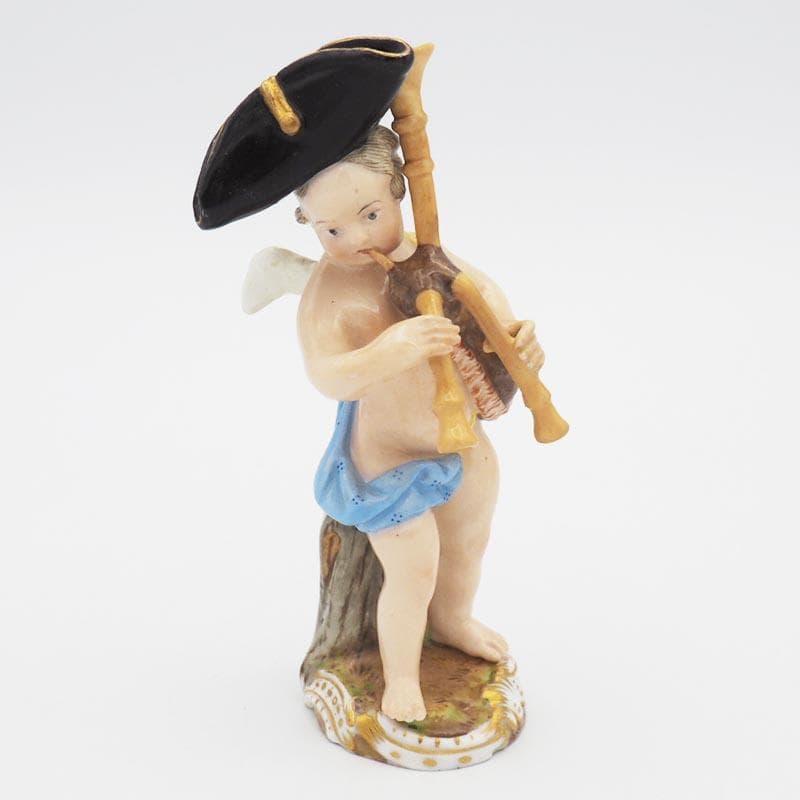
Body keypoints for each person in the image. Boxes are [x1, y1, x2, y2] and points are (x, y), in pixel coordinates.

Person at [295, 125, 545, 722]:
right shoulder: (330, 293)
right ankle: (402, 676)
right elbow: (328, 374)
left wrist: (520, 344)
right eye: (332, 230)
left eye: (370, 215)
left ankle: (453, 620)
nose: (356, 239)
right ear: (307, 223)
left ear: (399, 191)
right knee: (414, 569)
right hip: (388, 460)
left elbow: (490, 306)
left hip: (462, 442)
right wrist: (393, 349)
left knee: (467, 545)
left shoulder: (430, 258)